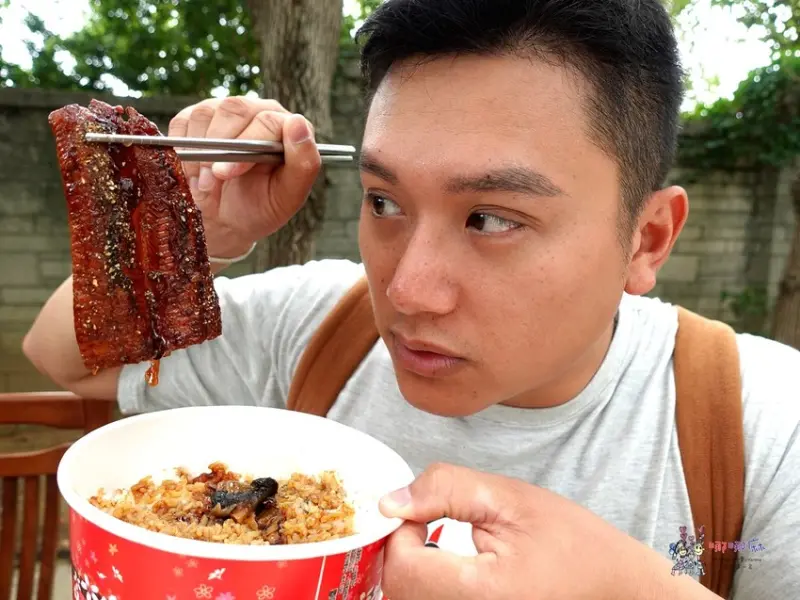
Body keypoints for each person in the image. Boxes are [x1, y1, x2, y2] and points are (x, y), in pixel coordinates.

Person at [23, 0, 799, 598]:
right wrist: (197, 236)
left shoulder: (760, 427)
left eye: (491, 218)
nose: (405, 288)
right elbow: (62, 357)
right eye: (385, 202)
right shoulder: (320, 328)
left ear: (648, 239)